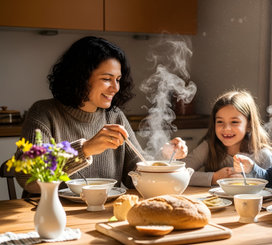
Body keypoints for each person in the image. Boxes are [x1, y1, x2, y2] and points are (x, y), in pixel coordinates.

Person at [14, 36, 187, 194]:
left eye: (118, 79)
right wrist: (85, 149)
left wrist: (164, 159)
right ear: (80, 77)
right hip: (51, 214)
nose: (115, 88)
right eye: (106, 79)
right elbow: (28, 179)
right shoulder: (44, 113)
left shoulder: (115, 116)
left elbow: (135, 177)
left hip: (104, 213)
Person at [184, 90, 272, 187]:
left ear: (249, 125)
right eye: (220, 122)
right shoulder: (208, 147)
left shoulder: (263, 155)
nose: (226, 128)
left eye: (234, 122)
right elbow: (180, 174)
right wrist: (214, 177)